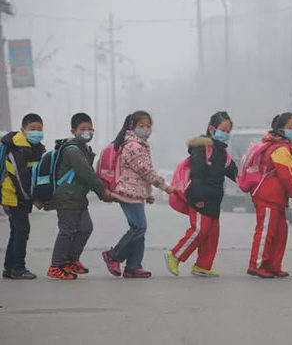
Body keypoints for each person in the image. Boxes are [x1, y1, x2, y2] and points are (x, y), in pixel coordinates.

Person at [102, 111, 175, 278]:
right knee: (139, 227)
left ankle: (133, 266)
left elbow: (140, 175)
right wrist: (164, 186)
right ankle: (113, 256)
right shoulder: (134, 145)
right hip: (127, 192)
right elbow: (145, 171)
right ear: (131, 127)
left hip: (135, 192)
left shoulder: (139, 144)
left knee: (138, 230)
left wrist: (147, 194)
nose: (146, 129)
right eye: (141, 126)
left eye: (148, 126)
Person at [165, 111, 237, 277]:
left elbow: (234, 173)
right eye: (223, 130)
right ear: (212, 129)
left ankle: (203, 266)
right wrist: (197, 198)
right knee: (200, 230)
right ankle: (175, 255)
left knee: (212, 234)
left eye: (228, 131)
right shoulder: (202, 147)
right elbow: (197, 172)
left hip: (214, 198)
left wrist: (250, 185)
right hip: (200, 196)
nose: (225, 134)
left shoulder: (222, 152)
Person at [45, 113, 112, 280]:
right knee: (67, 231)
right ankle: (56, 266)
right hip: (67, 197)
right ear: (73, 131)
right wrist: (102, 192)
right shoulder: (72, 150)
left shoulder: (84, 148)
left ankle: (70, 260)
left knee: (85, 228)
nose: (87, 132)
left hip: (78, 197)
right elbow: (87, 174)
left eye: (90, 129)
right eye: (83, 129)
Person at [247, 112, 292, 278]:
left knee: (280, 232)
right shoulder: (280, 149)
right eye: (290, 127)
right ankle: (257, 264)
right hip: (268, 196)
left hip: (278, 199)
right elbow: (287, 175)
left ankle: (273, 265)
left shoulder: (285, 147)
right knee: (266, 232)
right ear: (280, 129)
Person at [1, 113, 46, 279]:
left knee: (16, 231)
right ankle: (18, 268)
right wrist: (31, 198)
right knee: (22, 230)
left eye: (39, 129)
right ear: (23, 130)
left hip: (19, 196)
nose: (36, 132)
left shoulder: (33, 148)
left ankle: (9, 268)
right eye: (32, 129)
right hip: (12, 196)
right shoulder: (17, 148)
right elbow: (20, 178)